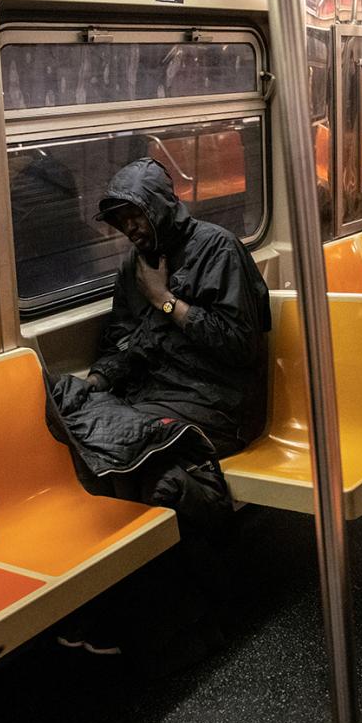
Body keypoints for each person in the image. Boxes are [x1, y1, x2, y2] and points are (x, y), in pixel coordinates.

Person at [48, 157, 270, 532]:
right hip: (155, 394)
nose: (129, 228)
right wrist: (96, 381)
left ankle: (193, 495)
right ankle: (148, 516)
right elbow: (123, 342)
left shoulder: (218, 249)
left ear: (161, 205)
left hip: (218, 401)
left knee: (127, 435)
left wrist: (165, 300)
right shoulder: (134, 265)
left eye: (135, 215)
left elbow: (240, 345)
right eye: (121, 220)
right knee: (65, 399)